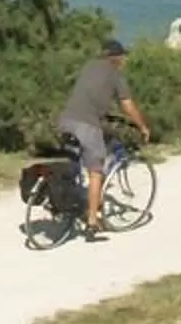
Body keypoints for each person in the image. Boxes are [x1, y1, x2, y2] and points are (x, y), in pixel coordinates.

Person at [56, 37, 152, 240]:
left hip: (66, 120)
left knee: (76, 161)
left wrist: (104, 112)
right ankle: (92, 222)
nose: (124, 60)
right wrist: (142, 126)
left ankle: (69, 202)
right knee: (95, 172)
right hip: (87, 124)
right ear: (117, 58)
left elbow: (90, 94)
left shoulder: (89, 66)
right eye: (123, 56)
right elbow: (127, 105)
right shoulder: (116, 76)